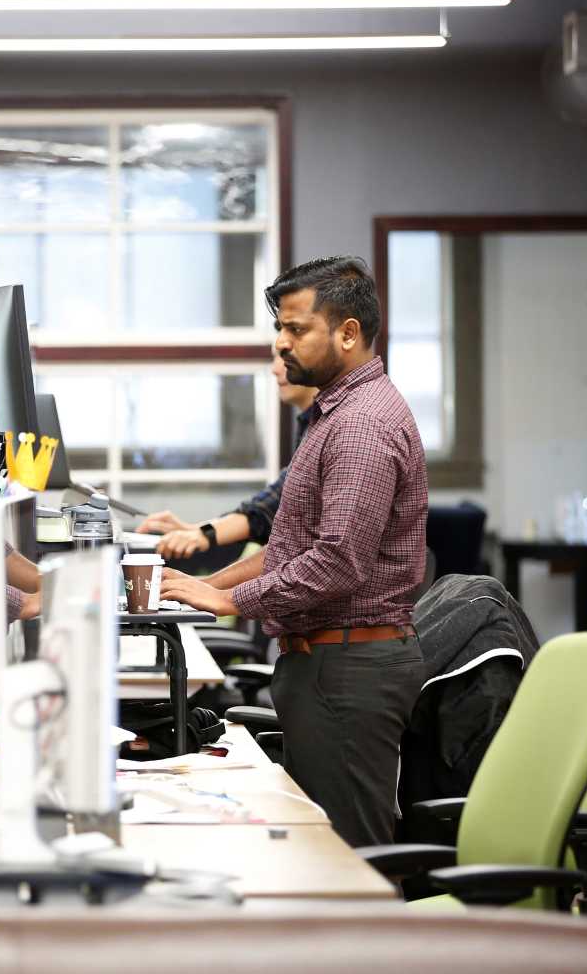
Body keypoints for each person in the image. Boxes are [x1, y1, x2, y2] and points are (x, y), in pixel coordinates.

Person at [160, 256, 428, 848]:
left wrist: (233, 602)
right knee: (323, 852)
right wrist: (211, 589)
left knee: (347, 863)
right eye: (279, 328)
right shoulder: (334, 416)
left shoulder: (361, 426)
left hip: (349, 670)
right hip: (328, 665)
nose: (282, 344)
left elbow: (336, 560)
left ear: (348, 333)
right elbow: (289, 544)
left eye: (296, 329)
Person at [138, 353, 318, 559]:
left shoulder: (330, 426)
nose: (274, 369)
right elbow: (269, 506)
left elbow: (276, 521)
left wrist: (203, 541)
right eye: (274, 357)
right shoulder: (308, 425)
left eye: (285, 356)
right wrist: (198, 531)